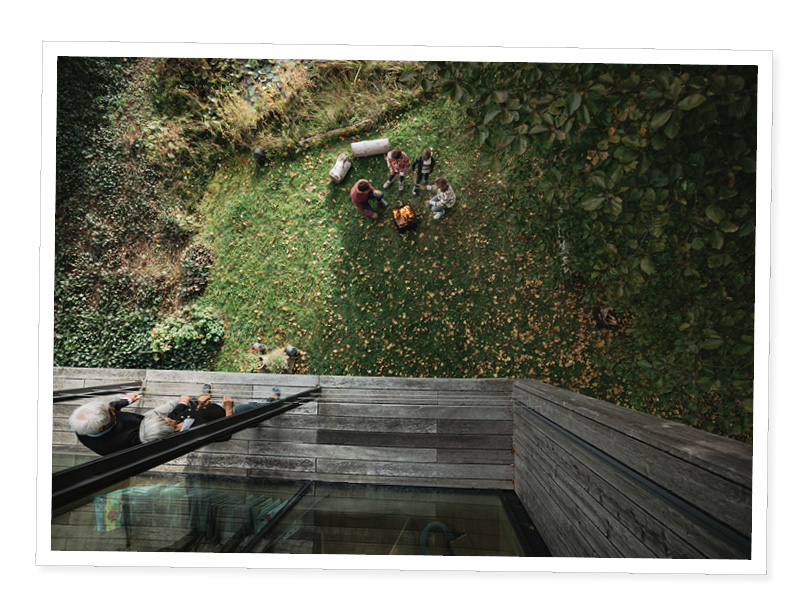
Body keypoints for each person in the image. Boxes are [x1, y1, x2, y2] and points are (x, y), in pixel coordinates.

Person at [69, 392, 145, 455]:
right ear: (103, 427)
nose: (113, 409)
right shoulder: (124, 442)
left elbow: (106, 410)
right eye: (112, 413)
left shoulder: (82, 427)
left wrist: (125, 401)